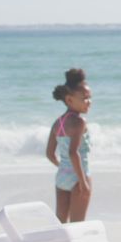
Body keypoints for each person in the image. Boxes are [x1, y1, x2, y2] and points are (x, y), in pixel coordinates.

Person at [45, 68, 93, 223]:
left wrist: (63, 167)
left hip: (62, 177)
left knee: (61, 223)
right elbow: (74, 153)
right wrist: (83, 182)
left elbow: (49, 154)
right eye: (84, 98)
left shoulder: (57, 123)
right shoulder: (80, 122)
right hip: (78, 178)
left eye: (89, 97)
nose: (88, 102)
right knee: (77, 224)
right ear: (69, 99)